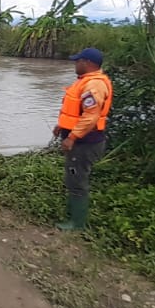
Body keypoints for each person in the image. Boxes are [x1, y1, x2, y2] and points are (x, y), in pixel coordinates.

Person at [52, 47, 113, 230]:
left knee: (77, 180)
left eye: (78, 61)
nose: (75, 64)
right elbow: (76, 112)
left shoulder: (94, 85)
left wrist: (71, 137)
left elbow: (90, 117)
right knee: (73, 178)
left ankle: (76, 224)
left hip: (85, 143)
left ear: (87, 63)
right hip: (82, 141)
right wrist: (61, 126)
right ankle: (71, 215)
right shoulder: (85, 82)